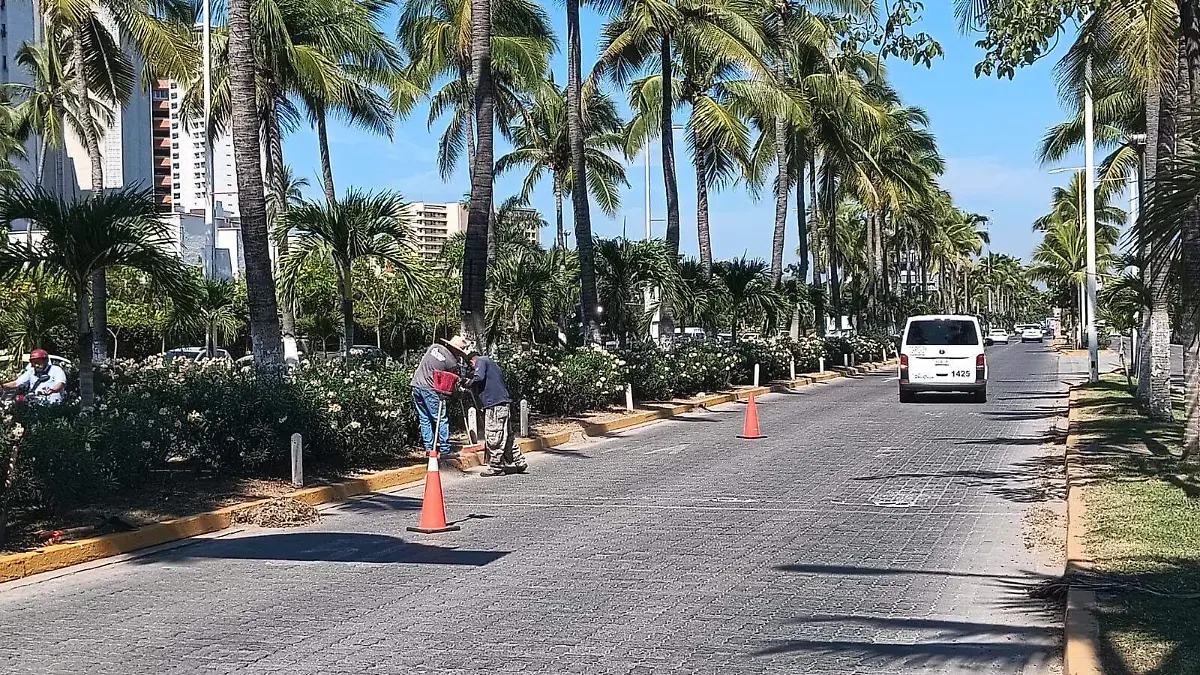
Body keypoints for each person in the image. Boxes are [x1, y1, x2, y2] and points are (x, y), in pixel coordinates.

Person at [465, 351, 527, 477]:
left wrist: (468, 383)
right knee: (507, 436)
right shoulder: (492, 363)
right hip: (503, 403)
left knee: (493, 435)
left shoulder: (481, 360)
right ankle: (519, 461)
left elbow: (479, 378)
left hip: (494, 405)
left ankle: (496, 466)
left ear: (472, 361)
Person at [410, 335, 469, 455]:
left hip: (416, 385)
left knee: (424, 418)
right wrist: (458, 393)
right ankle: (445, 449)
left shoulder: (434, 347)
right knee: (440, 419)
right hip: (430, 389)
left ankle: (429, 448)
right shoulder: (452, 363)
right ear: (457, 350)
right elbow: (449, 383)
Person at [2, 350, 67, 404]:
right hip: (36, 405)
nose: (36, 365)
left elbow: (61, 383)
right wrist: (3, 386)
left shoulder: (56, 370)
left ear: (46, 361)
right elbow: (16, 383)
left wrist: (52, 390)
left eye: (39, 363)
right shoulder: (31, 371)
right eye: (34, 363)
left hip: (53, 405)